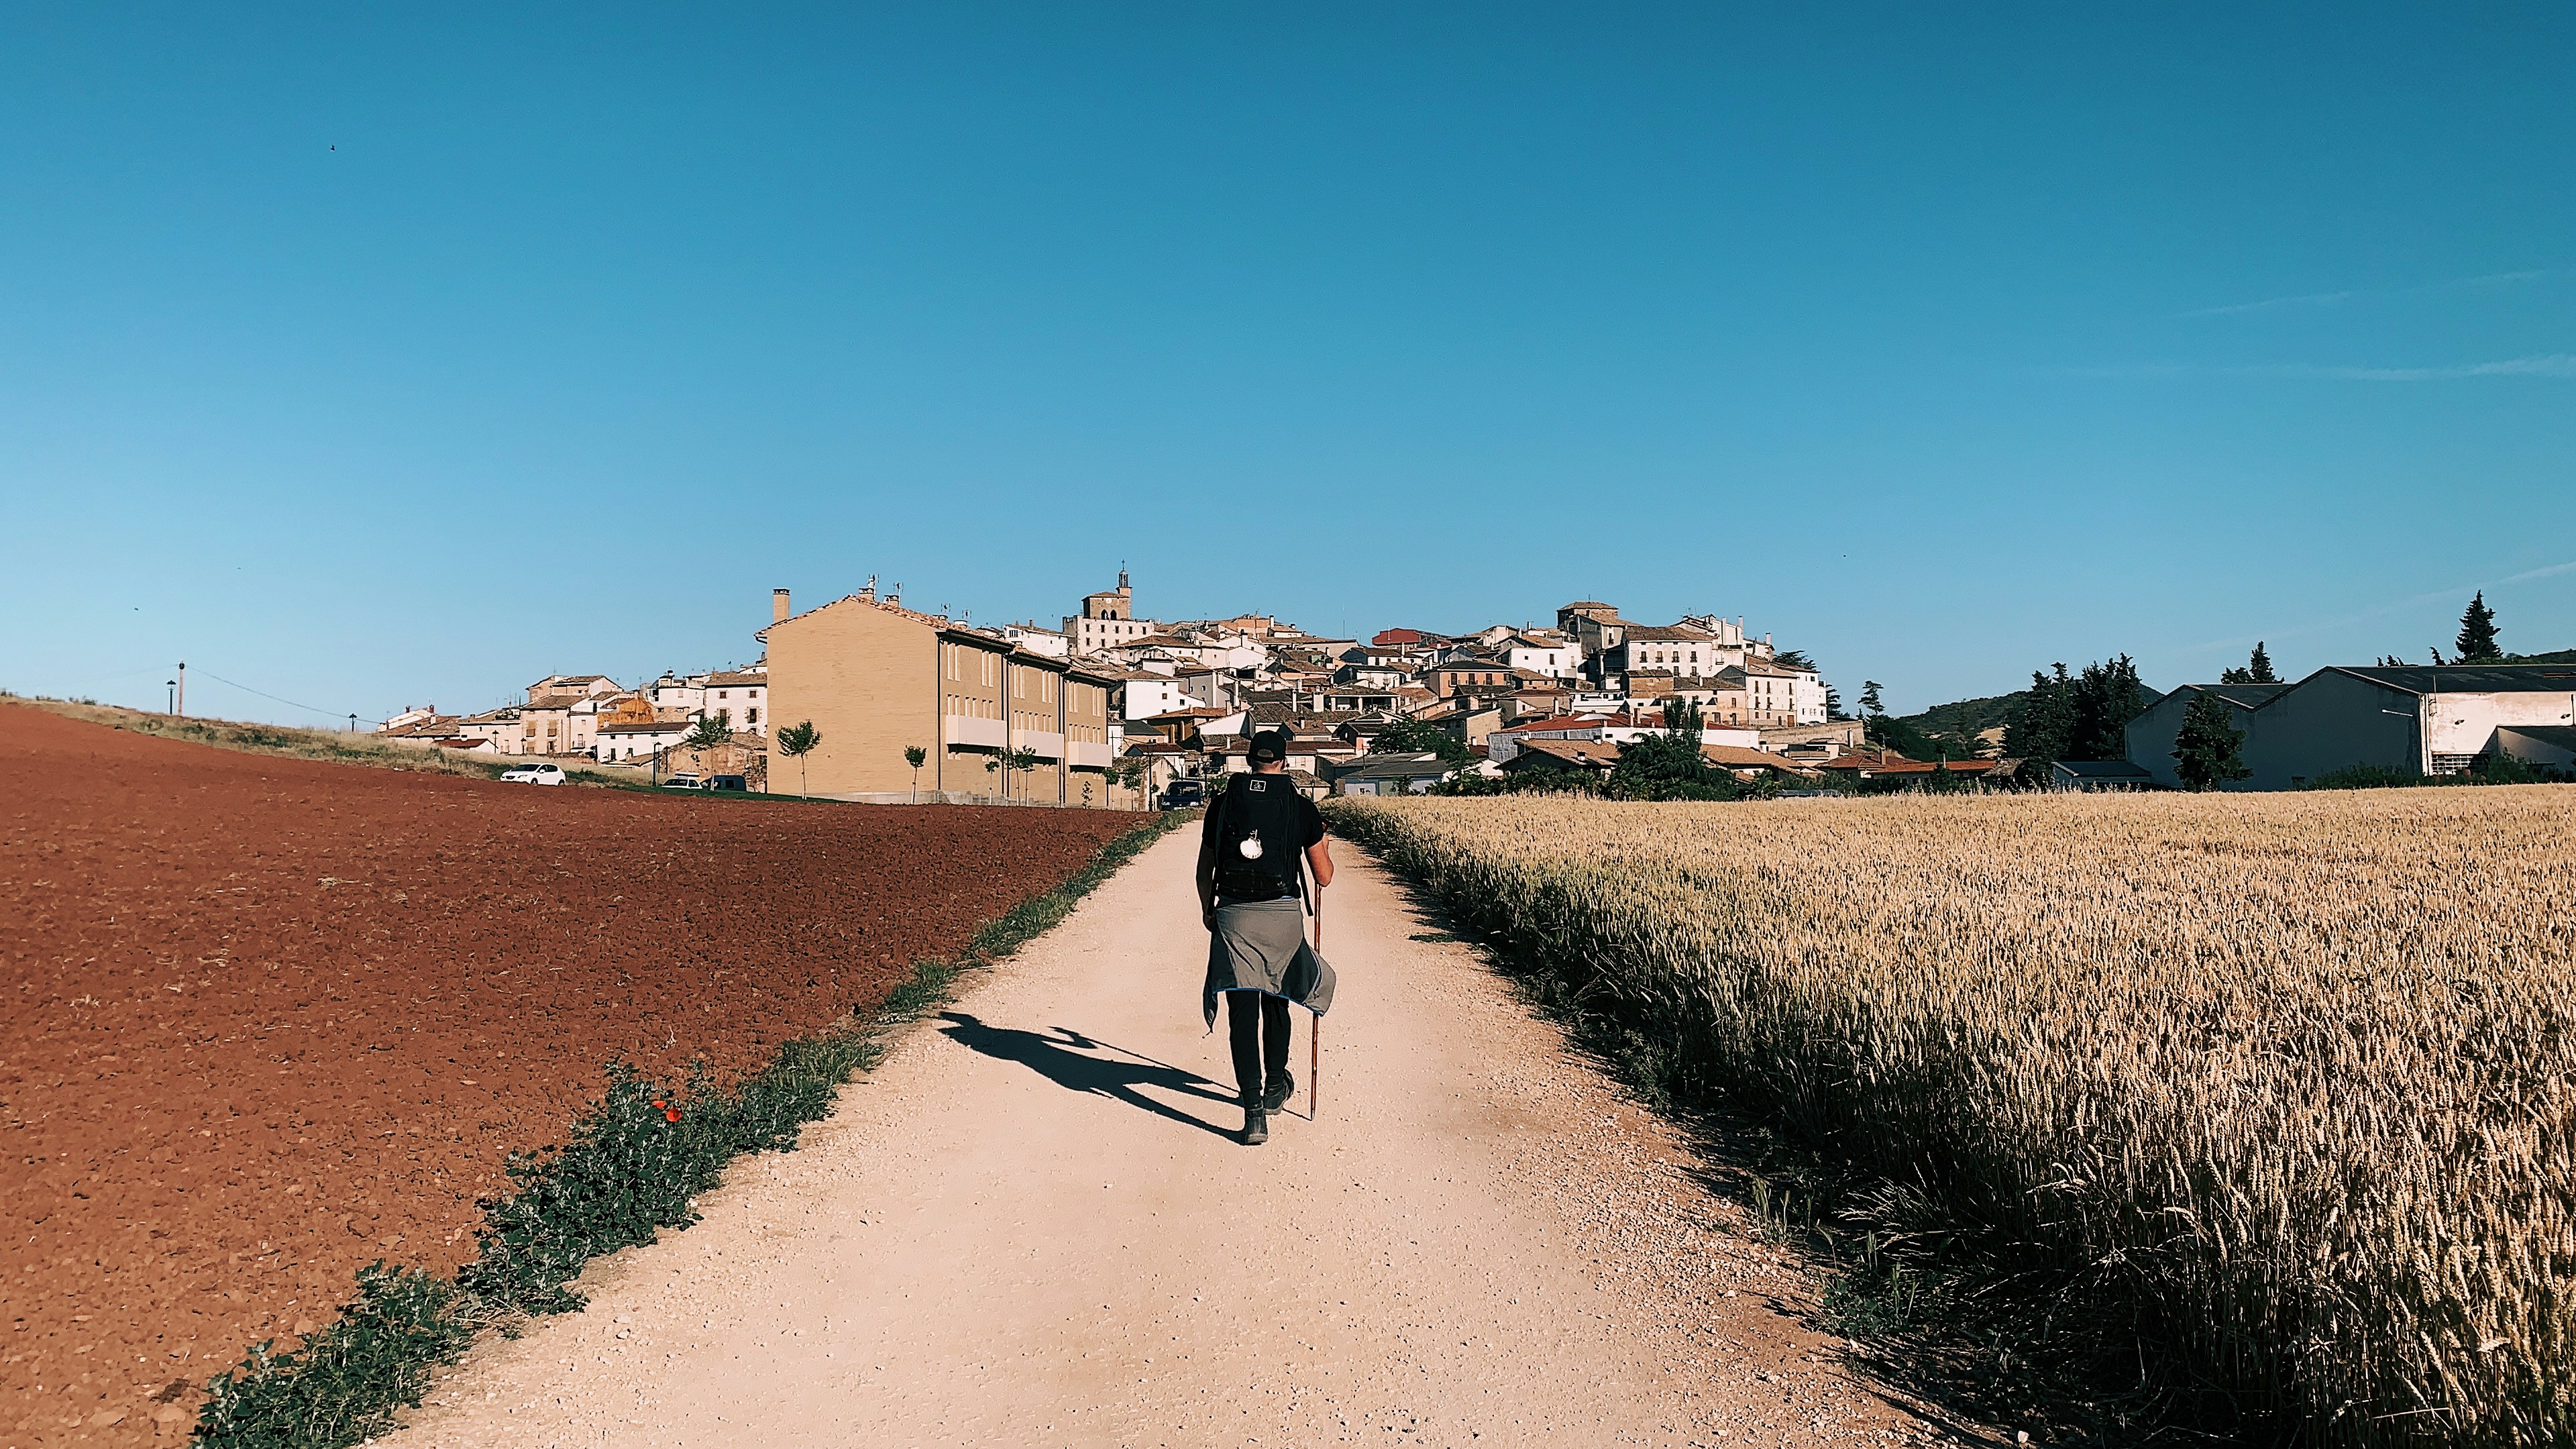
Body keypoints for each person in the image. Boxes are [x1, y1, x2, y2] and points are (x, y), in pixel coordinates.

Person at [1197, 729, 1335, 1145]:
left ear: (1248, 761)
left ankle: (1254, 1112)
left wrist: (1209, 909)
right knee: (1278, 1001)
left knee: (1242, 1011)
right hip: (1282, 916)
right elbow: (1324, 877)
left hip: (1234, 914)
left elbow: (1206, 867)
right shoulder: (1300, 806)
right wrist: (1322, 840)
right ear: (1285, 762)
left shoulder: (1223, 804)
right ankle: (1276, 1087)